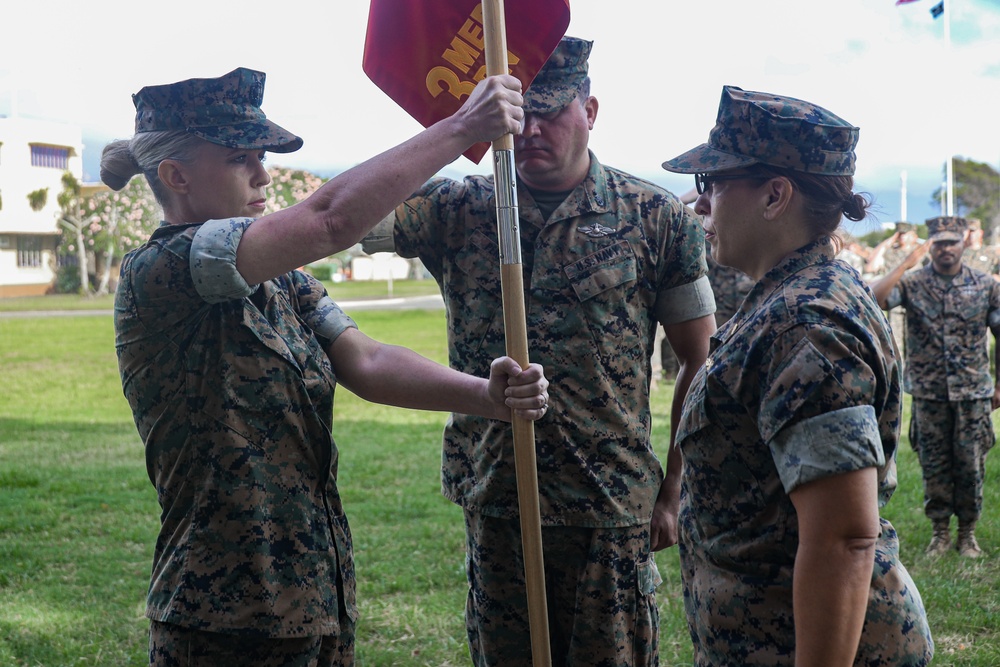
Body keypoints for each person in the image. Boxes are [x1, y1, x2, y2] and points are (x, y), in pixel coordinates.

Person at [105, 66, 550, 666]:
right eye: (241, 158)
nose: (264, 175)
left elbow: (366, 359)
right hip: (221, 622)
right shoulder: (159, 271)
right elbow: (330, 221)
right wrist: (464, 127)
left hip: (312, 600)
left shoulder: (280, 279)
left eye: (262, 156)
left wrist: (486, 397)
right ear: (175, 175)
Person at [363, 37, 716, 666]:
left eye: (550, 111)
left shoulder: (656, 217)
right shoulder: (461, 208)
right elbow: (349, 220)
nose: (530, 130)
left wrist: (672, 493)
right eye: (520, 113)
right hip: (500, 495)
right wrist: (455, 130)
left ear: (592, 110)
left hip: (608, 506)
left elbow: (698, 357)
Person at [662, 85, 933, 666]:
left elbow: (843, 538)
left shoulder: (805, 324)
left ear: (774, 196)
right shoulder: (789, 300)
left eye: (714, 183)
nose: (701, 204)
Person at [871, 215, 1000, 558]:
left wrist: (999, 383)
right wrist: (908, 261)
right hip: (929, 393)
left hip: (972, 392)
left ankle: (968, 534)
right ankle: (940, 533)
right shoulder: (913, 284)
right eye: (938, 242)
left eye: (952, 242)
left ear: (962, 244)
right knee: (934, 463)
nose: (946, 249)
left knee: (971, 464)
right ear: (931, 246)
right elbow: (878, 298)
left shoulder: (986, 285)